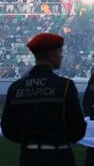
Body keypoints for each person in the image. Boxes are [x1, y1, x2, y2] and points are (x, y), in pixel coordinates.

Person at [1, 33, 87, 166]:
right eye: (60, 52)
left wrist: (29, 139)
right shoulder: (65, 86)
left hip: (29, 157)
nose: (62, 56)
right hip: (59, 156)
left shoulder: (16, 87)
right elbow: (78, 129)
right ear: (52, 55)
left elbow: (8, 129)